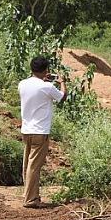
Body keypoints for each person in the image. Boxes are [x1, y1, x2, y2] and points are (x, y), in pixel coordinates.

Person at [18, 55, 67, 208]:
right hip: (40, 131)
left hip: (26, 130)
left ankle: (29, 194)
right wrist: (62, 82)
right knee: (35, 166)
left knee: (27, 164)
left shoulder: (22, 84)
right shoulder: (47, 87)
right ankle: (31, 200)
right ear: (46, 70)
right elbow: (62, 97)